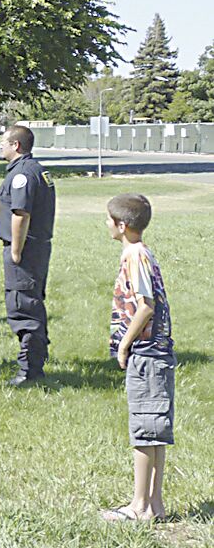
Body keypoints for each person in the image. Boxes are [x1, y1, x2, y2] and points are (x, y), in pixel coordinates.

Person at [100, 194, 175, 523]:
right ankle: (154, 504)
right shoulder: (140, 252)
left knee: (144, 432)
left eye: (108, 219)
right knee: (153, 430)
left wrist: (123, 344)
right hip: (154, 354)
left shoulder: (134, 255)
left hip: (146, 353)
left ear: (122, 225)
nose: (106, 224)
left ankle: (140, 506)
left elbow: (146, 305)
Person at [0, 125, 57, 387]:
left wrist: (16, 251)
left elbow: (21, 215)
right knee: (32, 301)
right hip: (37, 247)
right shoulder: (38, 170)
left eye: (4, 142)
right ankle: (36, 359)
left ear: (16, 146)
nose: (1, 147)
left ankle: (29, 370)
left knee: (23, 306)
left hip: (26, 249)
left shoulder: (22, 175)